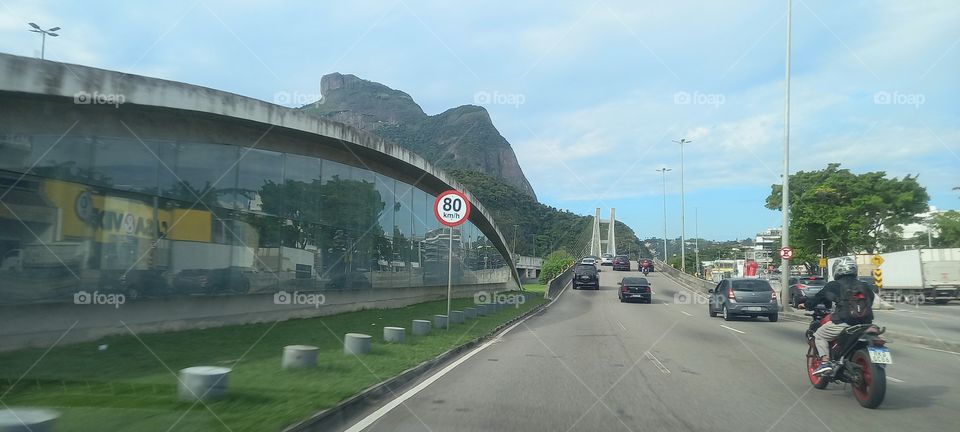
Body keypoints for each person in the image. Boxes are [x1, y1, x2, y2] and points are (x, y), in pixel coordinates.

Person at [802, 256, 875, 375]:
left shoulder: (834, 285)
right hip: (867, 324)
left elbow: (818, 298)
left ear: (837, 270)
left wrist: (806, 304)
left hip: (844, 323)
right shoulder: (865, 285)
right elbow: (870, 301)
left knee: (819, 335)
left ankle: (825, 362)